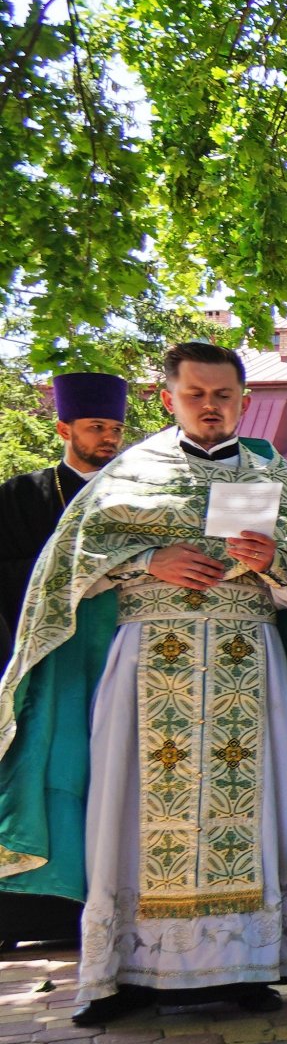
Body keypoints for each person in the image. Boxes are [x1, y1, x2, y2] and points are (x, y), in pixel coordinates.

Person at [0, 341, 287, 1024]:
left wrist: (275, 560)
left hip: (251, 666)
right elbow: (60, 574)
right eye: (197, 395)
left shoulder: (271, 475)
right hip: (146, 669)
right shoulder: (127, 475)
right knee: (126, 805)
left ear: (243, 399)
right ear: (169, 398)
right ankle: (121, 971)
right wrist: (149, 557)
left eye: (223, 395)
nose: (211, 407)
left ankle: (250, 964)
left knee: (256, 807)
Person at [0, 371, 130, 950]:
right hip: (43, 660)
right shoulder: (19, 497)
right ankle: (29, 914)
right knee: (40, 775)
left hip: (116, 658)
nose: (108, 438)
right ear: (64, 428)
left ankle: (106, 900)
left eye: (115, 428)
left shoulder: (134, 496)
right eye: (96, 427)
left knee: (109, 777)